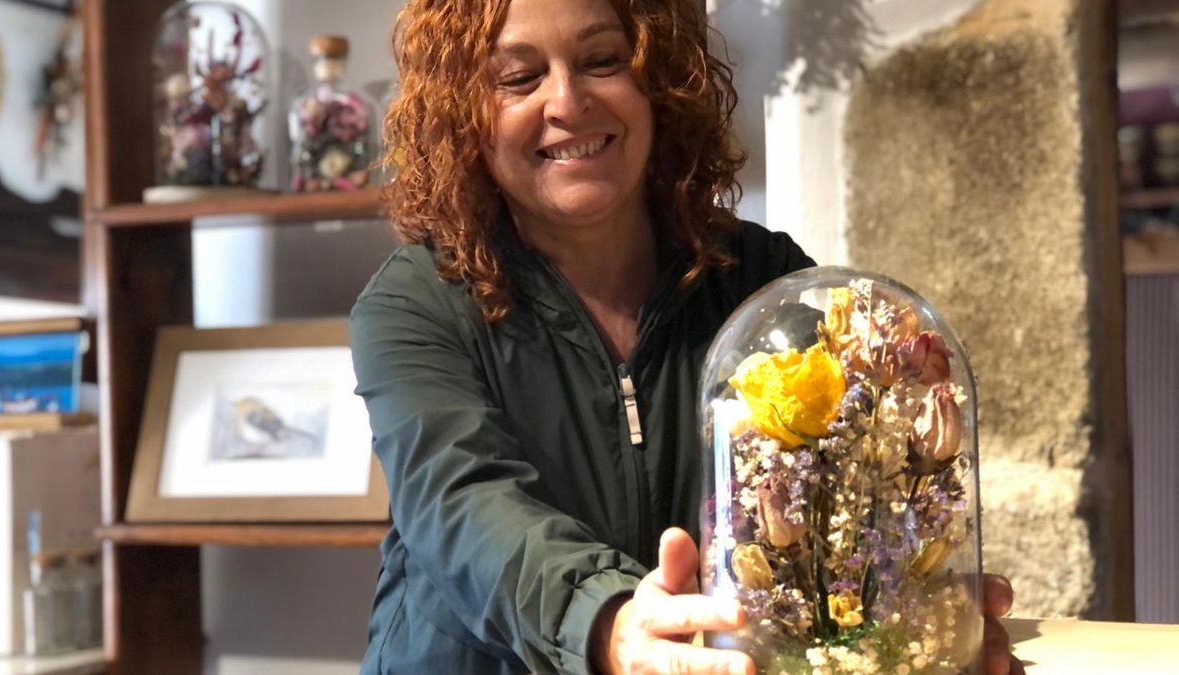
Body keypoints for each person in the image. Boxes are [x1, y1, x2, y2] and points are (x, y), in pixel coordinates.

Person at [349, 0, 1023, 673]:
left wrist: (914, 607)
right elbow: (462, 503)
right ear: (464, 115)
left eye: (602, 61)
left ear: (658, 78)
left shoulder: (762, 281)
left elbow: (844, 495)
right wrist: (608, 622)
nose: (568, 101)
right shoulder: (414, 305)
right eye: (518, 78)